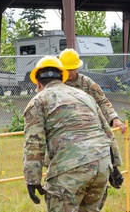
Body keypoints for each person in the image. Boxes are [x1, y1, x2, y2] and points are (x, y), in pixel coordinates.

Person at [23, 56, 123, 211]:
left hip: (70, 168)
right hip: (101, 165)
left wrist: (32, 179)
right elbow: (107, 132)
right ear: (62, 78)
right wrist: (115, 166)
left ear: (37, 83)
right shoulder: (85, 96)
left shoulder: (38, 101)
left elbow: (34, 143)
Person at [59, 48, 125, 208]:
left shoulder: (87, 83)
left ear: (77, 67)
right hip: (67, 132)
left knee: (107, 139)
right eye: (66, 70)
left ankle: (113, 169)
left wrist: (114, 118)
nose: (70, 73)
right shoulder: (56, 84)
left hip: (91, 128)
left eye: (72, 69)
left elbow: (103, 101)